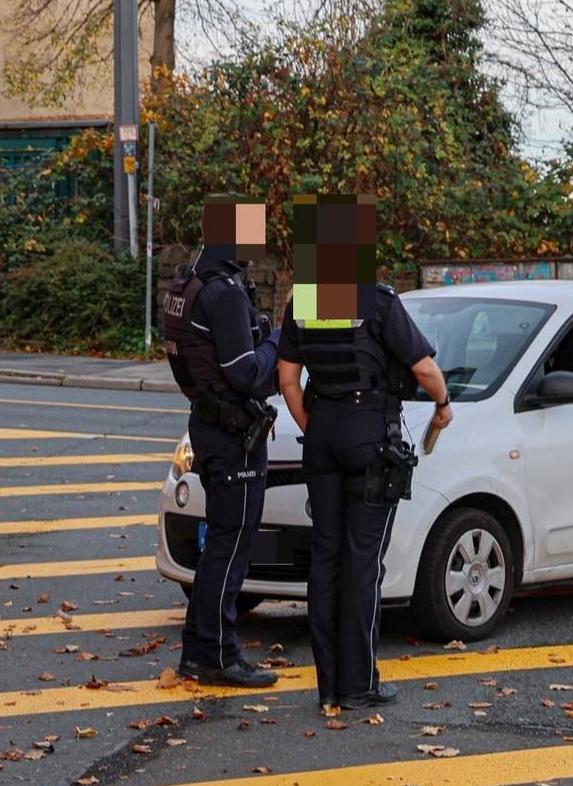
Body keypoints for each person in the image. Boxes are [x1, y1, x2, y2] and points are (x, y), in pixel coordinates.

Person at [276, 196, 452, 716]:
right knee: (362, 561)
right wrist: (443, 405)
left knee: (326, 558)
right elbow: (422, 369)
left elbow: (288, 379)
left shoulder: (301, 302)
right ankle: (359, 684)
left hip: (323, 432)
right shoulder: (376, 301)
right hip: (367, 436)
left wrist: (314, 423)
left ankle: (328, 686)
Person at [161, 198, 280, 687]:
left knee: (218, 548)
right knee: (231, 549)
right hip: (234, 435)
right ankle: (221, 656)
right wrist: (278, 342)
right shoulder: (224, 293)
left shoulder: (186, 283)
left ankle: (197, 651)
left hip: (206, 424)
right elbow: (245, 371)